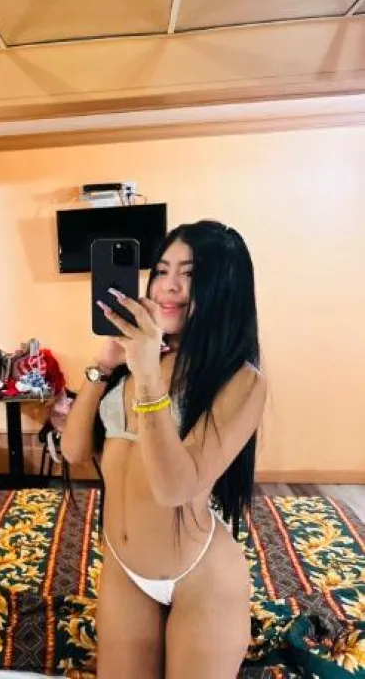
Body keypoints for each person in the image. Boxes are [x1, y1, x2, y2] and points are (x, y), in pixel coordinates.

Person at [61, 220, 268, 679]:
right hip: (124, 570)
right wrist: (102, 365)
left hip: (200, 578)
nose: (168, 286)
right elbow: (73, 450)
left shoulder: (241, 379)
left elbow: (175, 488)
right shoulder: (133, 358)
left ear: (223, 288)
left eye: (189, 274)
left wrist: (148, 375)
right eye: (161, 270)